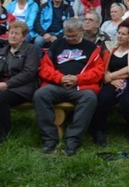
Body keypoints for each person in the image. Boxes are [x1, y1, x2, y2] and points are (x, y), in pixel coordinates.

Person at [34, 17, 104, 156]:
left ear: (82, 31)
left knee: (90, 98)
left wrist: (78, 79)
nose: (70, 39)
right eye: (67, 35)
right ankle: (49, 138)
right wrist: (60, 78)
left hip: (81, 87)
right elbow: (44, 68)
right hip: (57, 84)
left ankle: (73, 140)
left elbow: (98, 72)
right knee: (40, 95)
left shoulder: (92, 48)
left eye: (74, 36)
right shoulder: (56, 45)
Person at [90, 18, 129, 146]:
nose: (120, 36)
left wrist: (112, 75)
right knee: (103, 98)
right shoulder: (110, 49)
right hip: (112, 82)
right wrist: (111, 79)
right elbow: (103, 68)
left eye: (124, 34)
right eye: (119, 33)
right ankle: (98, 131)